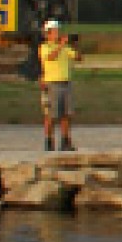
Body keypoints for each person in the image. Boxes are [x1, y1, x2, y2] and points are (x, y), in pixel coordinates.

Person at [37, 18, 81, 152]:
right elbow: (50, 57)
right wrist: (61, 45)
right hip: (52, 83)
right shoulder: (44, 47)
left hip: (66, 82)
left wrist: (74, 45)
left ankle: (65, 140)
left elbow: (78, 57)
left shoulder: (65, 47)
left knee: (67, 114)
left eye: (58, 31)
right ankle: (49, 140)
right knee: (51, 114)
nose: (58, 33)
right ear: (48, 33)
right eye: (55, 31)